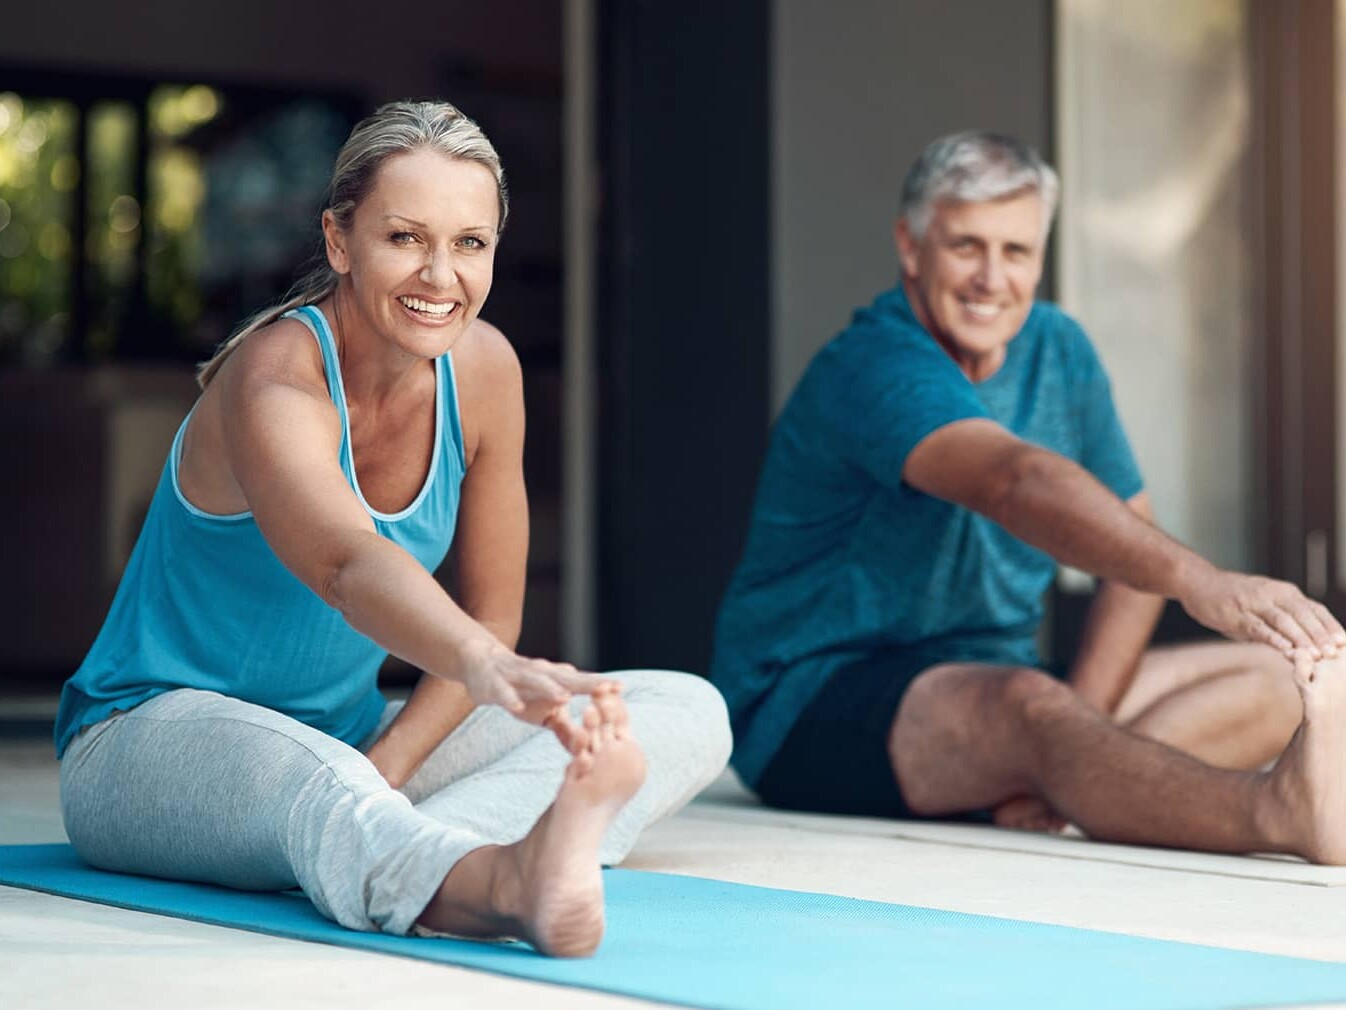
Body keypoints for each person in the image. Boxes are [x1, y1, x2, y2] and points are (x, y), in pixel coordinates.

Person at [55, 100, 731, 957]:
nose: (440, 276)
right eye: (406, 238)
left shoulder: (485, 371)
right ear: (339, 241)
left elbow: (492, 618)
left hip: (347, 741)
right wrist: (486, 667)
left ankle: (390, 840)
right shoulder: (273, 377)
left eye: (469, 243)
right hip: (144, 744)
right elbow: (346, 564)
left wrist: (394, 762)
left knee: (683, 710)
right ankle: (492, 883)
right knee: (316, 784)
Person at [709, 130, 1346, 863]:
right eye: (966, 247)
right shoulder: (875, 362)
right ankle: (1274, 814)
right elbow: (1014, 480)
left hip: (996, 680)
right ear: (910, 248)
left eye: (1015, 252)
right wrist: (1201, 582)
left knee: (1281, 677)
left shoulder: (1058, 348)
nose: (991, 278)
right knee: (1027, 709)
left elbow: (1130, 564)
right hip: (810, 701)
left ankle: (1060, 785)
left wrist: (1079, 724)